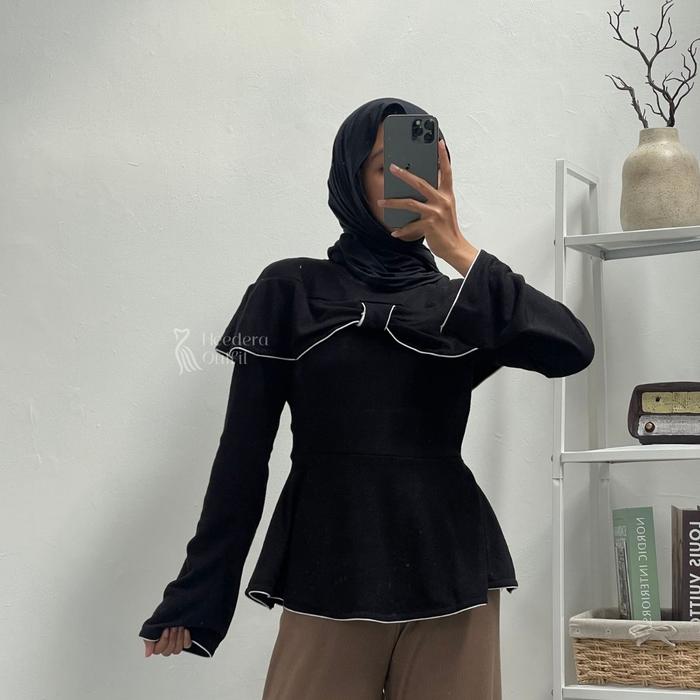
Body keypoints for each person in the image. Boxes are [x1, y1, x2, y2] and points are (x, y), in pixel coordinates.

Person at [138, 97, 595, 698]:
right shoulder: (289, 289)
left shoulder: (460, 300)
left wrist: (459, 248)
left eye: (427, 166)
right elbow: (242, 457)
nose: (410, 180)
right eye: (387, 166)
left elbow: (572, 348)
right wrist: (198, 595)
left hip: (454, 573)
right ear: (352, 176)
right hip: (329, 567)